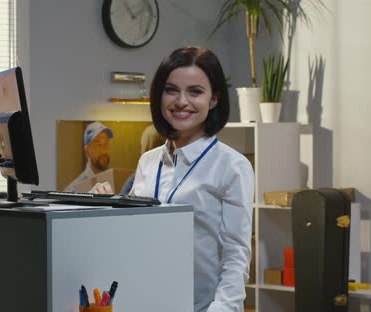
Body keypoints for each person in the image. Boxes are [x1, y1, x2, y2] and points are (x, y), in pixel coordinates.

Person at [91, 47, 254, 312]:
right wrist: (107, 208)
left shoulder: (233, 166)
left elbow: (236, 255)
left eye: (195, 91)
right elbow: (136, 239)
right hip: (144, 302)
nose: (181, 101)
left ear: (213, 99)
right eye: (171, 90)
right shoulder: (148, 161)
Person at [64, 121, 113, 192]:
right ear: (87, 151)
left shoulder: (115, 183)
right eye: (98, 145)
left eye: (106, 144)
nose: (103, 151)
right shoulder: (74, 189)